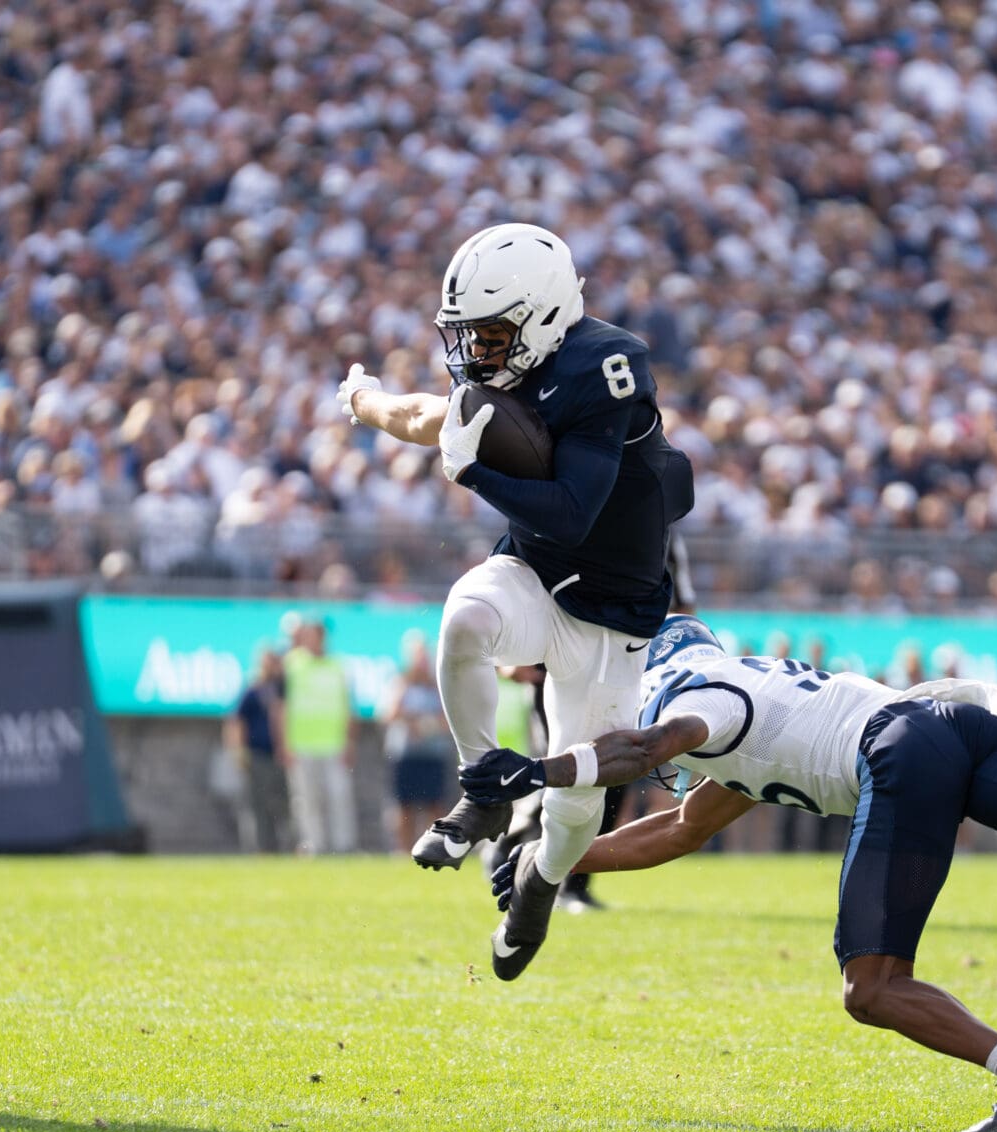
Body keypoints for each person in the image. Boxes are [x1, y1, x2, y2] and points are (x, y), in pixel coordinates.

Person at [458, 616, 997, 1132]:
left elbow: (652, 750)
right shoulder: (735, 701)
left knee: (869, 987)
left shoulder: (696, 694)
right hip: (952, 718)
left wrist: (540, 778)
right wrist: (552, 857)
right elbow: (675, 832)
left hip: (896, 750)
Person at [340, 223, 692, 969]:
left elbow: (573, 510)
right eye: (466, 335)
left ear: (543, 316)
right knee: (464, 618)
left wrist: (476, 476)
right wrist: (363, 397)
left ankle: (537, 891)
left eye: (491, 335)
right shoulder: (505, 375)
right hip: (536, 579)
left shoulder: (608, 366)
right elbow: (419, 417)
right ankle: (484, 785)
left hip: (609, 618)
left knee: (573, 815)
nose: (475, 354)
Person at [281, 616, 356, 855]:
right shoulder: (291, 665)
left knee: (339, 796)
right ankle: (313, 845)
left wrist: (349, 742)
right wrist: (285, 743)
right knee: (306, 800)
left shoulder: (338, 666)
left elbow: (347, 708)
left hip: (333, 743)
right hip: (301, 743)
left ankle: (343, 845)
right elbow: (281, 709)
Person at [380, 631, 454, 857]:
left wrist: (426, 724)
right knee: (404, 806)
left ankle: (435, 849)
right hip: (405, 754)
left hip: (432, 754)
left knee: (435, 805)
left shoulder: (438, 685)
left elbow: (448, 719)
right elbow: (388, 714)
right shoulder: (400, 683)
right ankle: (403, 851)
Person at [222, 645, 289, 854]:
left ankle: (289, 847)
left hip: (282, 756)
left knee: (285, 805)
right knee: (258, 805)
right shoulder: (253, 690)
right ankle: (263, 848)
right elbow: (236, 722)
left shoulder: (285, 689)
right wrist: (238, 751)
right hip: (259, 754)